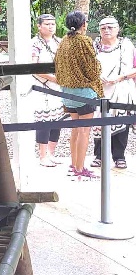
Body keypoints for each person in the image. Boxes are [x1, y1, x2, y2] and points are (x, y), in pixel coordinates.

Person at [54, 10, 102, 181]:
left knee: (75, 128)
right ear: (83, 24)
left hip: (67, 92)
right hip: (84, 91)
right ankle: (80, 169)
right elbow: (93, 68)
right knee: (84, 131)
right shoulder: (84, 40)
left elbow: (57, 65)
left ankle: (74, 165)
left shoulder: (63, 42)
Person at [92, 16, 136, 170]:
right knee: (98, 122)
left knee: (121, 122)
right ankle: (99, 155)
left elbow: (134, 68)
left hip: (121, 87)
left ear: (118, 29)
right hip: (100, 88)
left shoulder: (126, 45)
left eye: (110, 27)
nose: (107, 30)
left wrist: (119, 78)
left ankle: (119, 157)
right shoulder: (94, 45)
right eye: (103, 28)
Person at [30, 13, 64, 167]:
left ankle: (51, 153)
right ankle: (42, 155)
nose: (51, 27)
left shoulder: (60, 42)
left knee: (57, 119)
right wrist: (53, 78)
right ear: (39, 26)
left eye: (53, 24)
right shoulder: (34, 43)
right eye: (47, 24)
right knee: (44, 119)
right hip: (42, 85)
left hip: (59, 86)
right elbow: (33, 67)